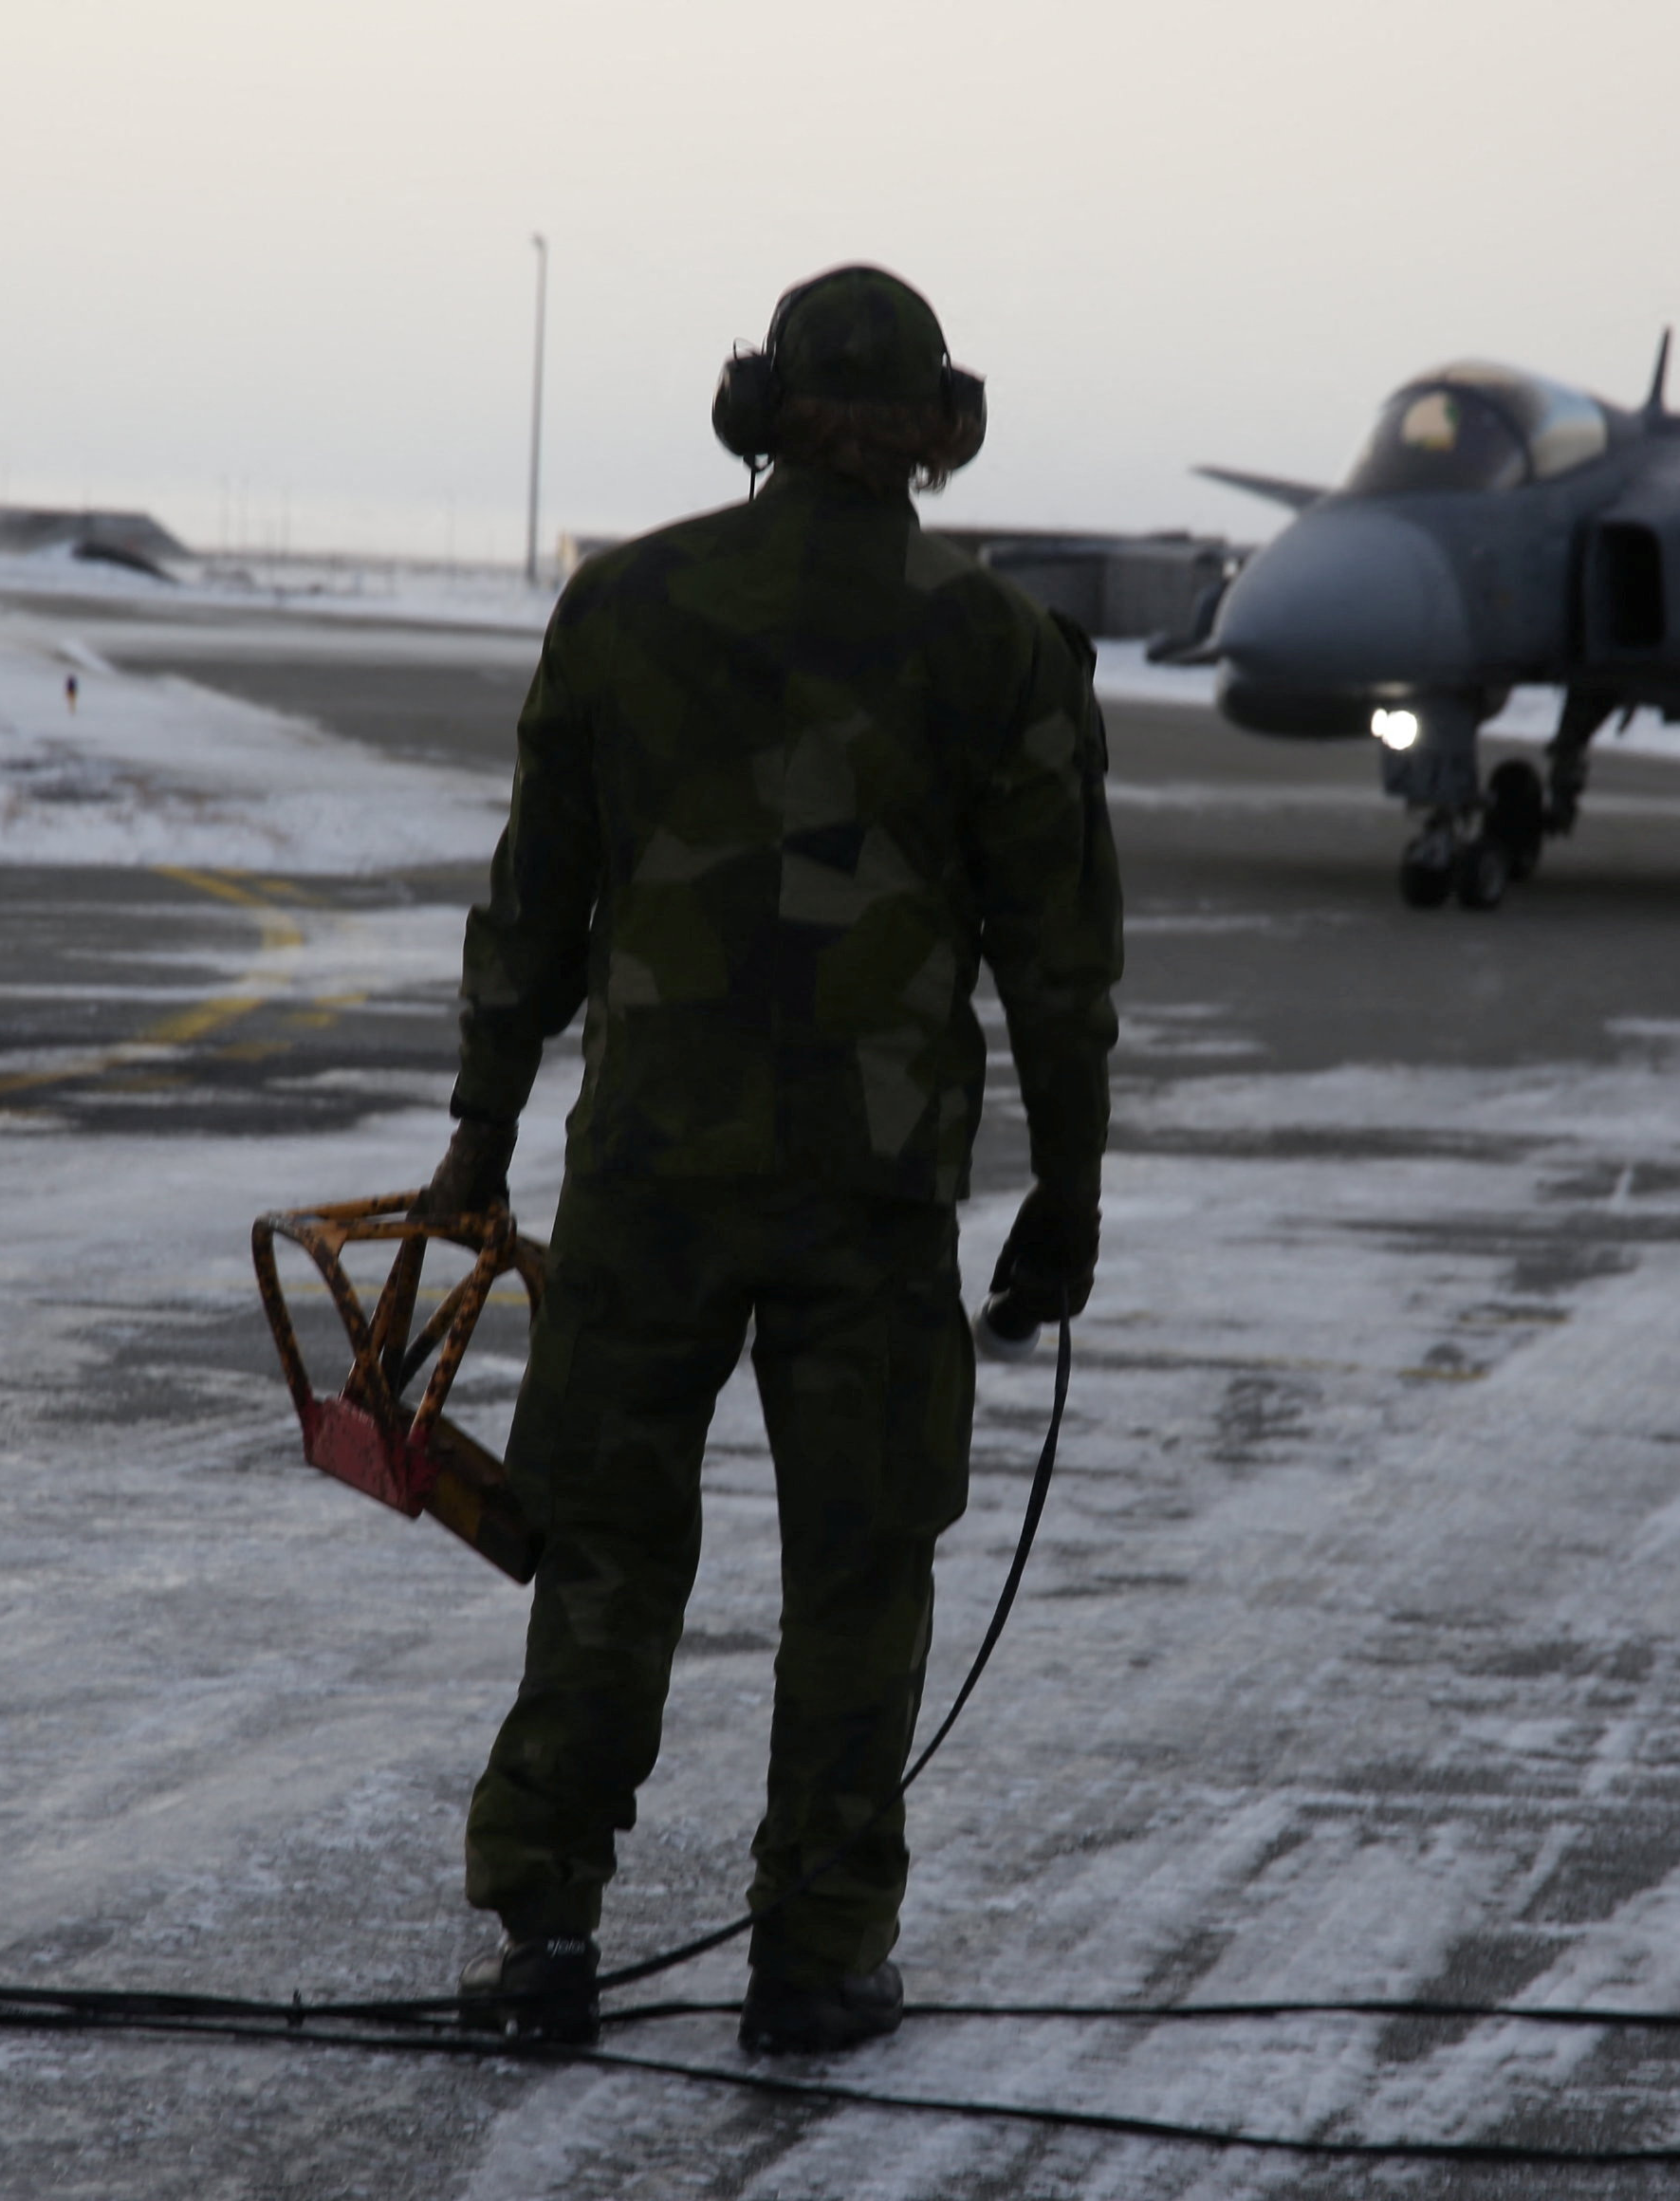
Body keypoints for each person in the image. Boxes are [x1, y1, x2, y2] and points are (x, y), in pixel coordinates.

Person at [415, 266, 1122, 2057]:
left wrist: (479, 1131)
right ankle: (815, 1956)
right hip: (873, 1193)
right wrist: (1067, 1189)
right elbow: (1060, 956)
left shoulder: (625, 607)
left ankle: (545, 1936)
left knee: (601, 1549)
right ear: (932, 432)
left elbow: (535, 901)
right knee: (862, 1565)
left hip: (649, 1166)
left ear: (759, 406)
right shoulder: (998, 647)